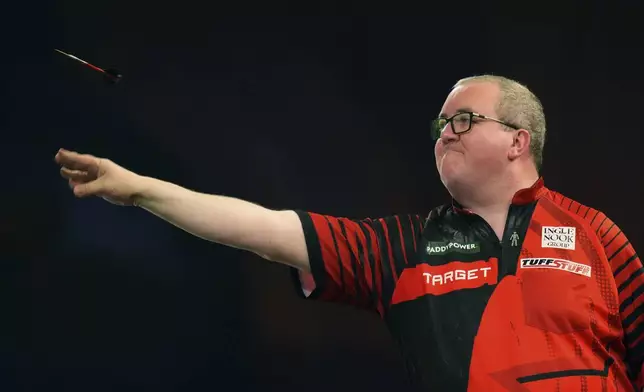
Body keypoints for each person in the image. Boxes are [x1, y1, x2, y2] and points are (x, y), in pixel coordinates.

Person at [55, 75, 642, 391]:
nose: (445, 133)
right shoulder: (401, 247)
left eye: (464, 119)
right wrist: (138, 189)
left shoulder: (598, 237)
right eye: (440, 125)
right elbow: (265, 228)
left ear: (519, 140)